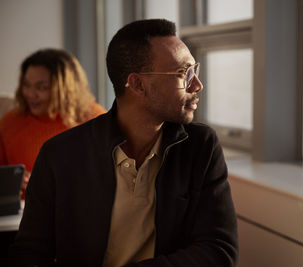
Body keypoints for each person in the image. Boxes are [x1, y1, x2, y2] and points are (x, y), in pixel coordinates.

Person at [9, 19, 238, 266]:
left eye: (196, 70)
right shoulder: (60, 154)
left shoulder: (201, 146)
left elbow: (219, 251)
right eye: (184, 73)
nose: (197, 84)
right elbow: (30, 253)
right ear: (138, 84)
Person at [0, 49, 106, 198]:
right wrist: (10, 183)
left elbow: (108, 181)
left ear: (65, 89)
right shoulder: (10, 122)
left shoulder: (95, 119)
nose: (31, 94)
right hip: (21, 217)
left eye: (41, 87)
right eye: (26, 85)